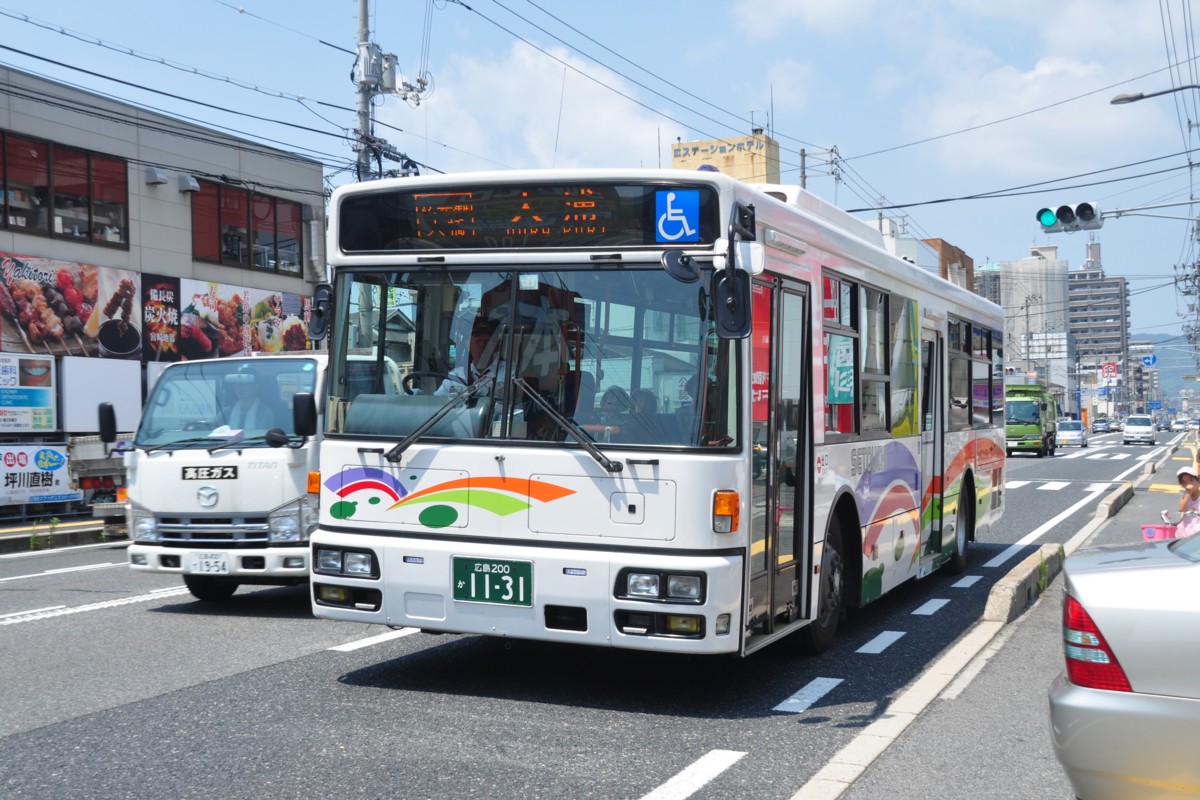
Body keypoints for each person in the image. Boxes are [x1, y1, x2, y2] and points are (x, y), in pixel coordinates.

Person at [1173, 465, 1200, 538]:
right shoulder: (1185, 494)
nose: (1189, 484)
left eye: (1191, 480)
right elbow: (1181, 509)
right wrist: (1189, 493)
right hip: (1186, 525)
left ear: (1198, 481)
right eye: (1184, 482)